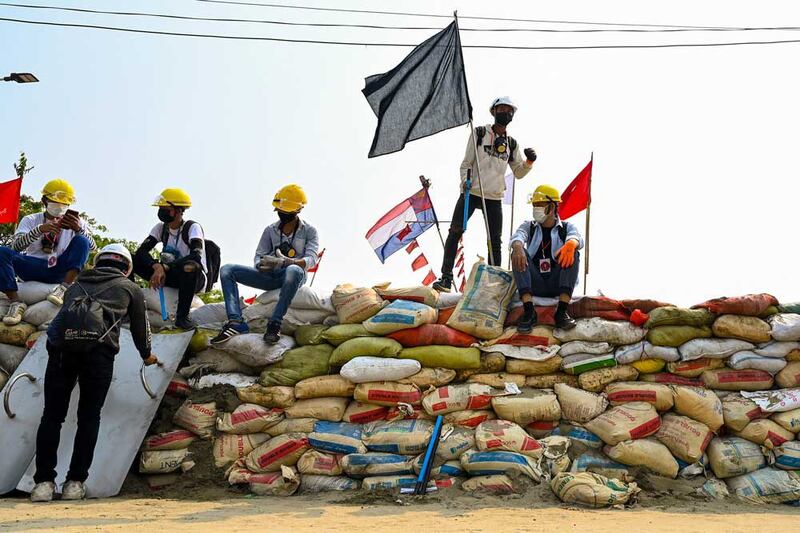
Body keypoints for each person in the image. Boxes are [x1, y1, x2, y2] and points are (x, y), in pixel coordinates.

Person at [30, 244, 157, 502]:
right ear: (127, 267)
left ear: (98, 262)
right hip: (97, 355)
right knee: (89, 416)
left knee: (52, 416)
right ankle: (74, 483)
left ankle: (42, 484)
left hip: (61, 352)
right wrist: (147, 355)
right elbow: (141, 329)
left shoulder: (76, 285)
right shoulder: (129, 288)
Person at [432, 96, 537, 292]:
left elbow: (519, 173)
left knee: (494, 241)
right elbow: (465, 163)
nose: (505, 113)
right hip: (471, 192)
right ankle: (446, 277)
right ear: (494, 112)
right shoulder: (479, 133)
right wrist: (465, 182)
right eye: (502, 109)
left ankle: (494, 283)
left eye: (509, 110)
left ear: (512, 115)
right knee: (455, 231)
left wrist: (529, 162)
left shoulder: (511, 144)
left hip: (494, 197)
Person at [211, 184, 319, 345]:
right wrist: (263, 265)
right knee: (227, 270)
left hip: (293, 277)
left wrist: (288, 261)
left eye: (286, 211)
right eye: (280, 211)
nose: (282, 214)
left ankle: (275, 324)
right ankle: (235, 321)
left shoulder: (309, 231)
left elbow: (311, 259)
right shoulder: (270, 231)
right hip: (271, 275)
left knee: (293, 270)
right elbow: (258, 256)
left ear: (298, 210)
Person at [0, 179, 96, 325]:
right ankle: (15, 302)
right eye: (55, 202)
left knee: (82, 240)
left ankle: (64, 288)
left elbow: (93, 247)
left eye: (64, 204)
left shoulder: (78, 223)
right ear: (44, 200)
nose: (59, 207)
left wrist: (78, 229)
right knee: (2, 252)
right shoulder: (31, 219)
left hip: (59, 269)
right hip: (31, 267)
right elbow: (16, 246)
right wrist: (39, 230)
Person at [510, 184, 583, 332]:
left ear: (552, 207)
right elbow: (518, 236)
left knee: (573, 252)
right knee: (517, 252)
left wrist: (571, 243)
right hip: (535, 283)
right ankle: (529, 312)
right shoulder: (529, 226)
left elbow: (577, 238)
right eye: (535, 205)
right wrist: (517, 247)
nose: (536, 208)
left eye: (540, 205)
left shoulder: (567, 228)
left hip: (557, 283)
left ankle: (561, 313)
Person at [133, 188, 206, 330]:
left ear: (178, 210)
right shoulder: (161, 228)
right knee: (130, 258)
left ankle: (182, 317)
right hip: (167, 274)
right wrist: (156, 266)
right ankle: (128, 301)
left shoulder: (192, 227)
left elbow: (196, 255)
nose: (161, 211)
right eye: (161, 208)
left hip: (191, 277)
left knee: (190, 266)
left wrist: (166, 267)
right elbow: (142, 251)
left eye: (166, 208)